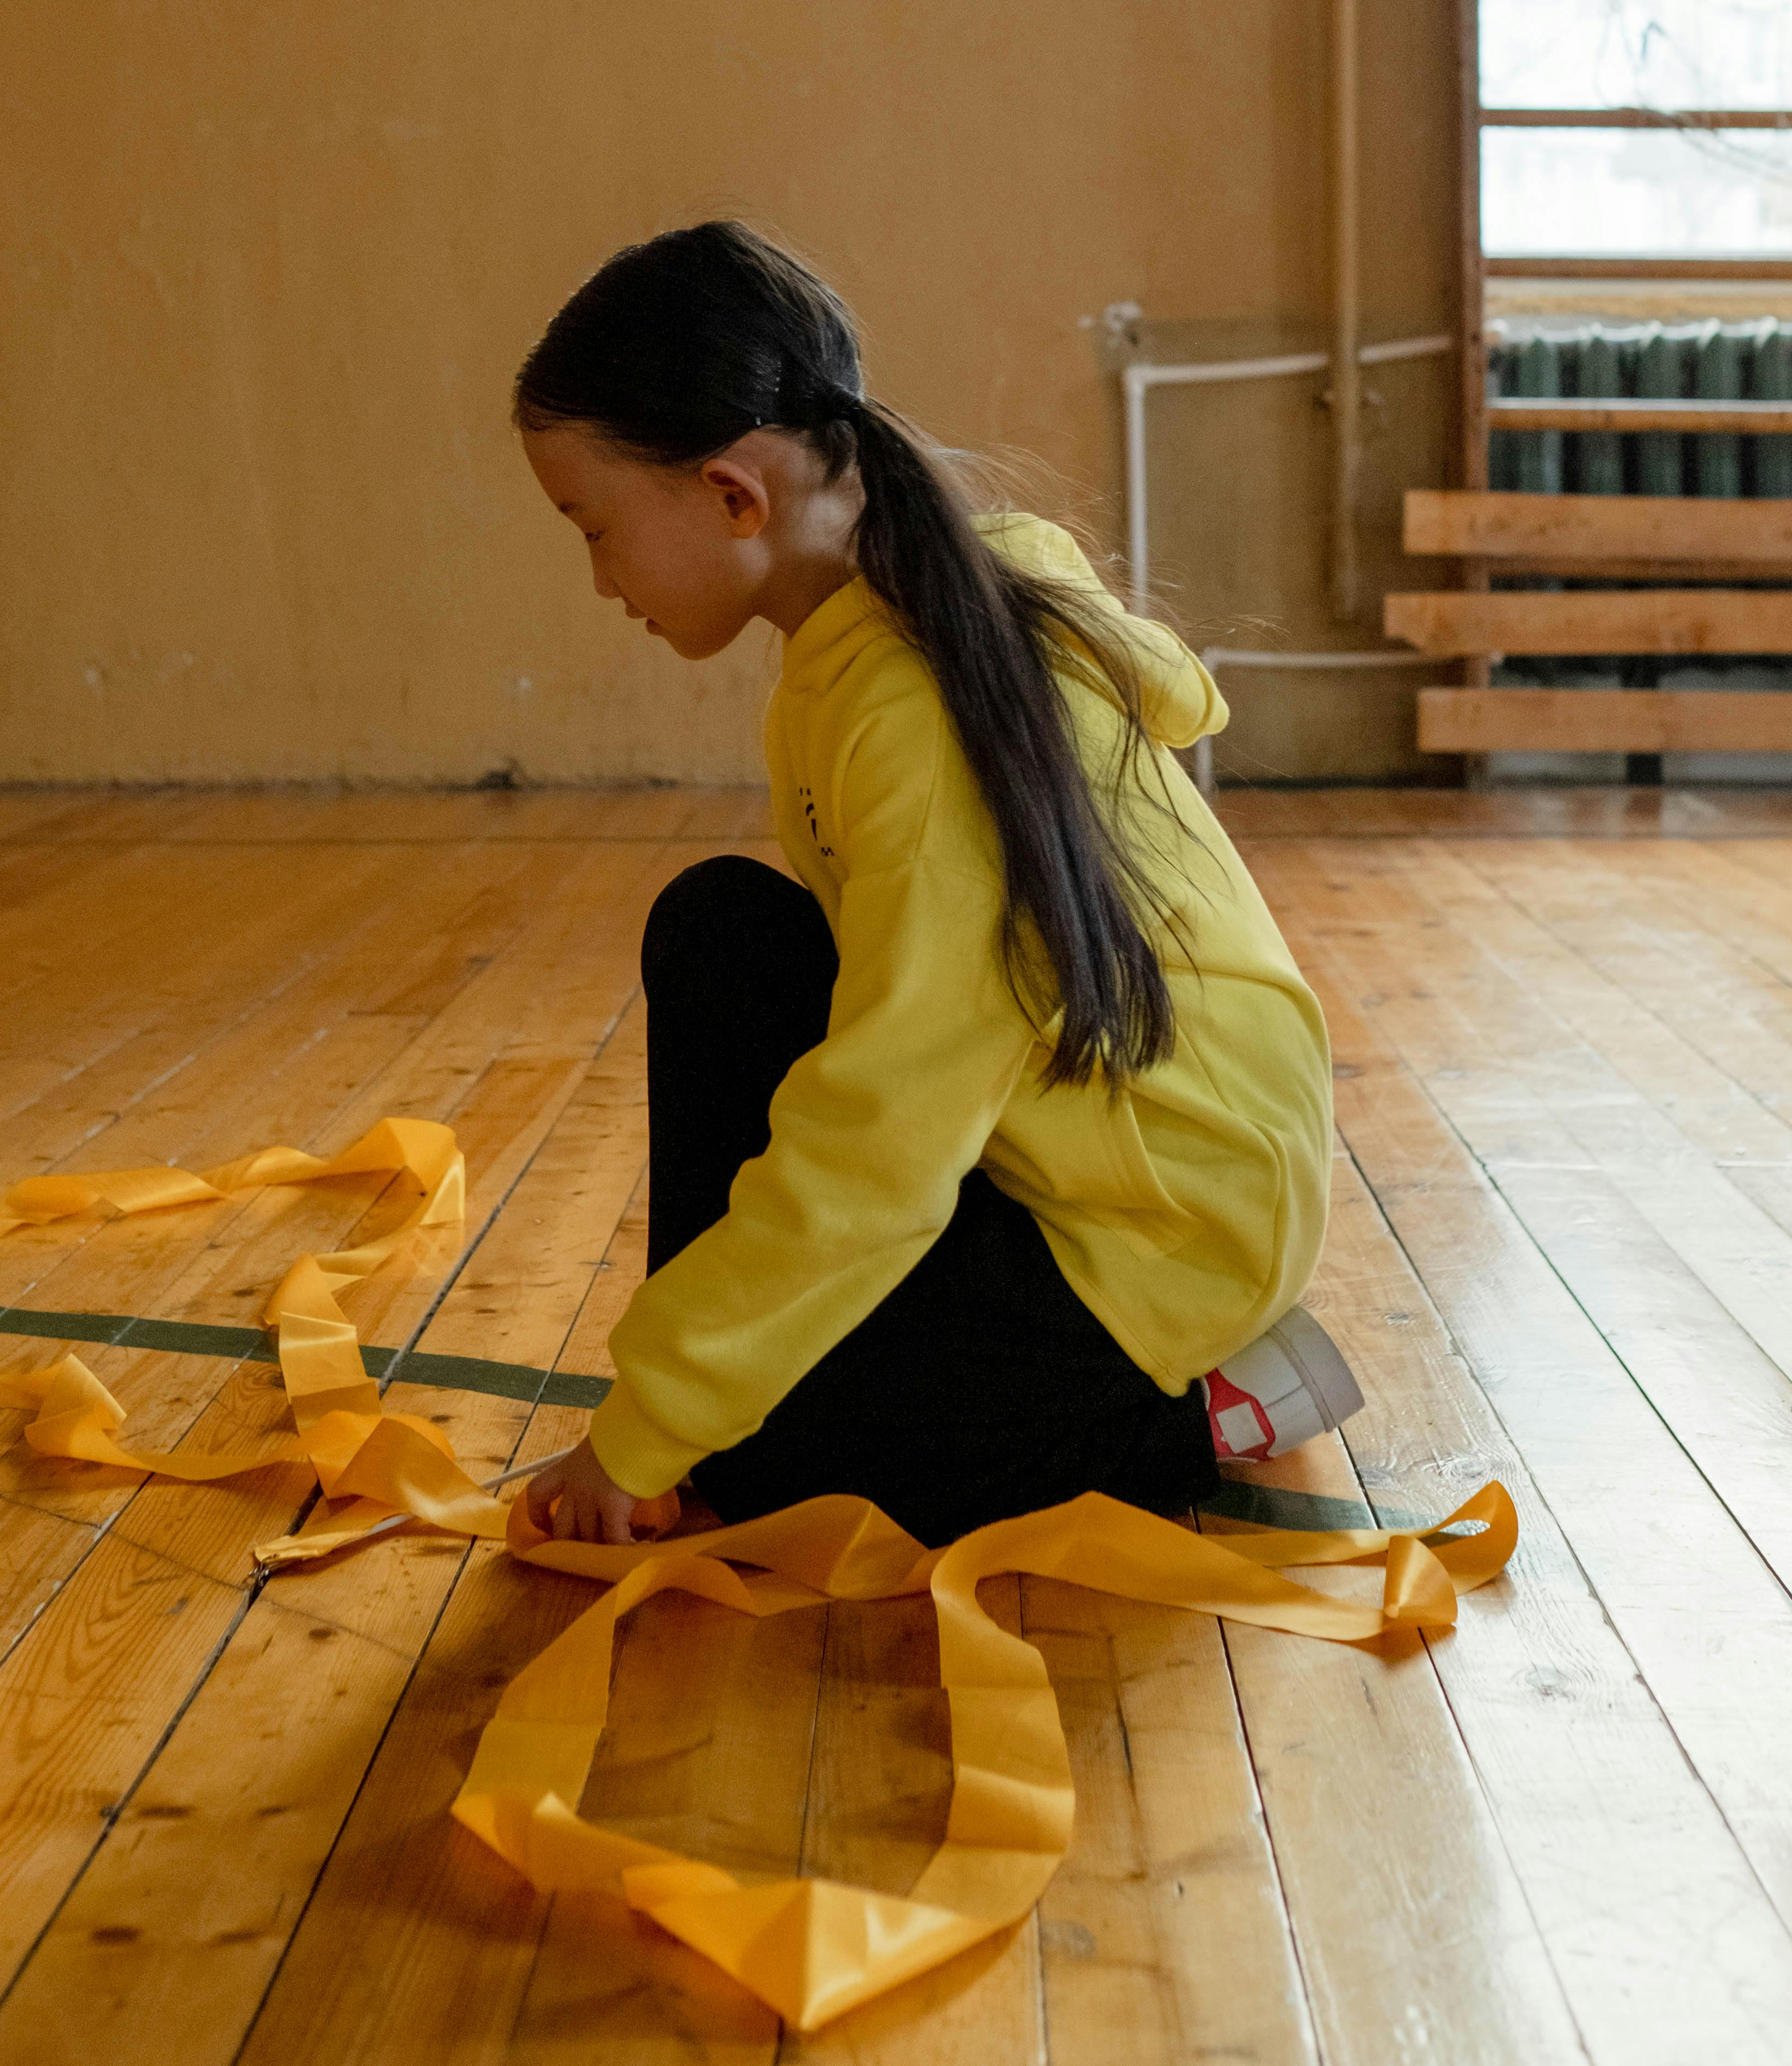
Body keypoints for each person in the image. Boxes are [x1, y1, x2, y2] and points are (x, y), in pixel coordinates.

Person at [513, 222, 1347, 1550]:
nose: (600, 575)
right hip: (1063, 1162)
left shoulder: (915, 718)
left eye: (594, 525)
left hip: (1158, 1231)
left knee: (809, 1483)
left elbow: (887, 1134)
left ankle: (1195, 1407)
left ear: (736, 495)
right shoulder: (905, 602)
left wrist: (646, 1426)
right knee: (720, 931)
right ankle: (745, 1417)